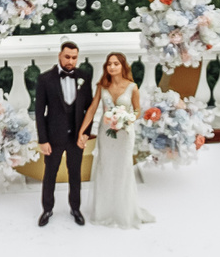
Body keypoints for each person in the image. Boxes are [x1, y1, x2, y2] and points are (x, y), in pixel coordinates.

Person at [84, 49, 152, 229]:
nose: (112, 67)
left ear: (123, 66)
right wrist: (82, 131)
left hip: (124, 134)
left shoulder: (132, 87)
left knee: (123, 168)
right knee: (106, 167)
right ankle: (104, 211)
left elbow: (137, 111)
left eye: (116, 63)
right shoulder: (102, 86)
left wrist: (128, 118)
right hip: (106, 133)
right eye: (109, 64)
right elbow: (92, 109)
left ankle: (124, 211)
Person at [34, 40, 94, 227]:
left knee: (75, 173)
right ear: (60, 55)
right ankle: (47, 209)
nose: (70, 61)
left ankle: (75, 208)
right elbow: (39, 112)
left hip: (76, 136)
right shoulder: (45, 79)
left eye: (74, 58)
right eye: (67, 57)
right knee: (50, 174)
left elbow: (89, 109)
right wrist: (43, 140)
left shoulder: (84, 77)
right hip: (53, 137)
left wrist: (86, 134)